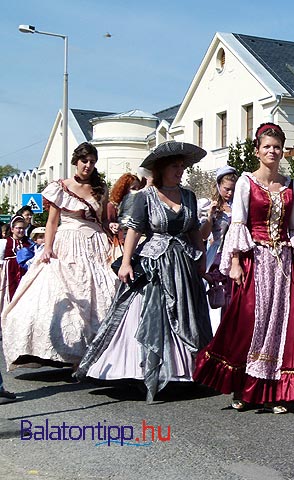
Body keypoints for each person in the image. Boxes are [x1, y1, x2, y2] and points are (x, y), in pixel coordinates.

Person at [76, 141, 213, 402]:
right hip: (154, 262)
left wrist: (201, 257)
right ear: (161, 168)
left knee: (188, 312)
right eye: (175, 165)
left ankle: (186, 372)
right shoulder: (144, 197)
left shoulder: (188, 196)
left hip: (183, 262)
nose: (180, 170)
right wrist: (126, 262)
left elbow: (193, 228)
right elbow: (135, 230)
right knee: (153, 314)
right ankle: (143, 370)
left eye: (182, 165)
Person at [193, 123, 294, 414]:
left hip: (284, 262)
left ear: (282, 151)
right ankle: (244, 389)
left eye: (276, 147)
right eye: (267, 147)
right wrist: (234, 261)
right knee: (250, 322)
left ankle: (275, 392)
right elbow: (239, 222)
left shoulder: (290, 185)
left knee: (281, 325)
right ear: (257, 151)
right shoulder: (247, 181)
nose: (272, 151)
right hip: (256, 260)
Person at [2, 142, 117, 370]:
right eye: (85, 161)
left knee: (103, 294)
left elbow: (102, 219)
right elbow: (53, 221)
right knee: (64, 292)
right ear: (76, 161)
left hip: (95, 243)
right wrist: (47, 247)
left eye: (92, 162)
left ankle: (97, 354)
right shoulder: (61, 187)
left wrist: (110, 227)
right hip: (68, 242)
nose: (88, 166)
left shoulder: (100, 188)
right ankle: (68, 351)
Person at [200, 165, 237, 333]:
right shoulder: (210, 206)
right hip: (217, 252)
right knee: (217, 291)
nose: (229, 193)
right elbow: (203, 235)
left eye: (232, 190)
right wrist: (210, 216)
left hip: (235, 253)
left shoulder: (237, 206)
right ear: (218, 186)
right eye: (226, 189)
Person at [106, 173, 145, 260]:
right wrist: (114, 226)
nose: (136, 191)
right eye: (133, 188)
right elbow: (108, 223)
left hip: (140, 242)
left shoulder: (142, 205)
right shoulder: (113, 206)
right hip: (121, 243)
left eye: (139, 188)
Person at [0, 216, 31, 312]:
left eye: (23, 228)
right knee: (9, 296)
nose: (21, 230)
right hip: (9, 273)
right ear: (12, 229)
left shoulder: (29, 243)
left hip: (24, 273)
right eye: (18, 228)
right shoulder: (4, 243)